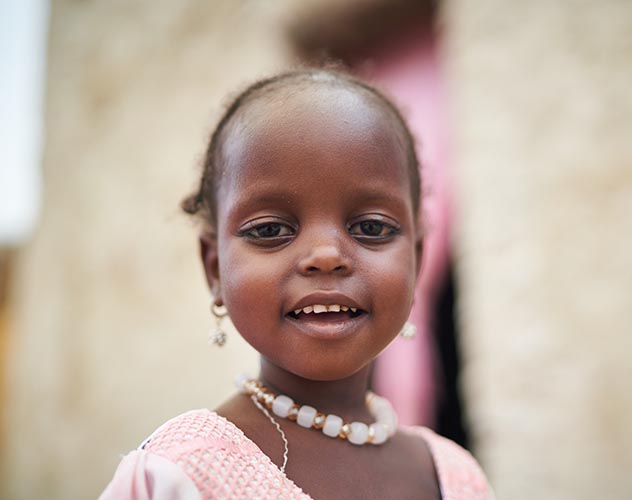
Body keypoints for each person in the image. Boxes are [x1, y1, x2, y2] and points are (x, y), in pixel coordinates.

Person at [99, 68, 493, 500]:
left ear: (417, 259)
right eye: (270, 230)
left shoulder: (456, 476)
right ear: (215, 269)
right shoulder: (183, 472)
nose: (326, 255)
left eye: (372, 227)